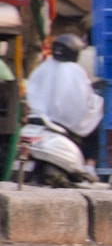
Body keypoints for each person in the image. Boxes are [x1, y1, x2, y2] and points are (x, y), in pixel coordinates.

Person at [26, 33, 104, 170]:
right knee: (96, 125)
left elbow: (32, 90)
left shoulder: (44, 66)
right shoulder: (74, 71)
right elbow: (80, 101)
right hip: (64, 121)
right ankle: (90, 165)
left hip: (40, 117)